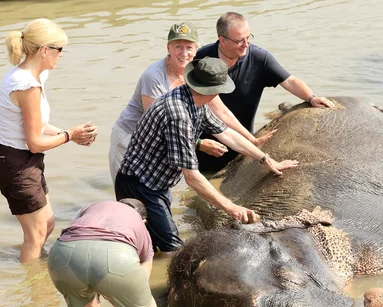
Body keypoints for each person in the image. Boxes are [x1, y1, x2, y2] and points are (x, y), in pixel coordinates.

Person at [115, 57, 298, 252]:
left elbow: (226, 134)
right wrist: (231, 208)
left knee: (151, 245)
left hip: (157, 183)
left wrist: (265, 159)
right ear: (213, 91)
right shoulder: (178, 115)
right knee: (172, 250)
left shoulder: (195, 102)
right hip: (139, 185)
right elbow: (192, 178)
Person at [108, 21, 274, 184]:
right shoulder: (154, 77)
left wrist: (251, 140)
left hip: (162, 143)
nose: (184, 53)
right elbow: (157, 126)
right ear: (168, 49)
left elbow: (222, 112)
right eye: (178, 46)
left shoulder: (196, 73)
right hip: (130, 139)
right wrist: (199, 144)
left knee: (157, 185)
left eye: (189, 47)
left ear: (197, 49)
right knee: (128, 197)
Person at [0, 18, 97, 263]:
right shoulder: (26, 85)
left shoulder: (33, 75)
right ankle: (31, 291)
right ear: (44, 51)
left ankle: (35, 267)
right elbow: (35, 142)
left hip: (21, 159)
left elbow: (36, 124)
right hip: (14, 162)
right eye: (60, 50)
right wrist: (70, 135)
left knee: (47, 224)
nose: (61, 55)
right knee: (36, 234)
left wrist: (68, 134)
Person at [195, 12, 336, 172]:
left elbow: (289, 80)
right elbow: (218, 110)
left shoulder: (258, 58)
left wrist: (311, 97)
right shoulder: (202, 58)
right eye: (240, 40)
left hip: (243, 140)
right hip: (206, 143)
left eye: (249, 37)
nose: (246, 44)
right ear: (222, 40)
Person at [47, 199, 163, 307]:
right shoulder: (139, 224)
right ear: (144, 220)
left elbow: (74, 232)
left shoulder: (91, 207)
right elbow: (139, 288)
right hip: (117, 256)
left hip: (63, 253)